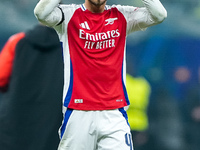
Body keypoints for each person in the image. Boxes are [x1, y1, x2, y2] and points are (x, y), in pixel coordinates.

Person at [34, 0, 167, 149]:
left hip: (114, 113)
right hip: (78, 113)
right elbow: (41, 13)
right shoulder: (69, 15)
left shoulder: (122, 15)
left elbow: (159, 15)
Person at [0, 24, 64, 150]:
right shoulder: (73, 45)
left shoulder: (18, 40)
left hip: (15, 121)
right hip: (54, 124)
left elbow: (1, 78)